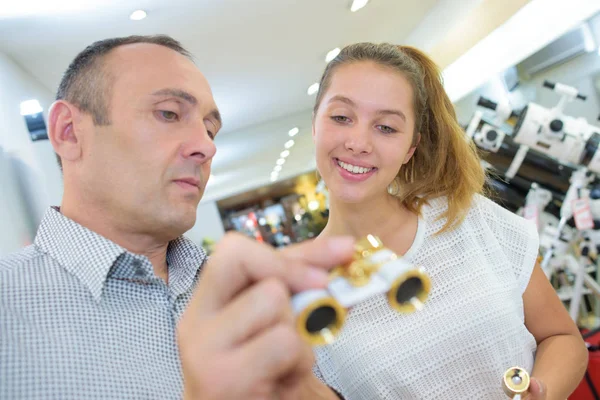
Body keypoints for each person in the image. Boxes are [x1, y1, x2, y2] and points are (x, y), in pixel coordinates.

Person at [0, 35, 351, 399]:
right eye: (168, 113)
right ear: (68, 132)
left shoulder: (250, 293)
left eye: (210, 129)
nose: (207, 146)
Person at [309, 42, 588, 399]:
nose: (359, 142)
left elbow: (561, 338)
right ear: (315, 124)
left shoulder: (467, 218)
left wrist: (543, 393)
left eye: (386, 127)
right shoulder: (302, 293)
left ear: (411, 147)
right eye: (341, 118)